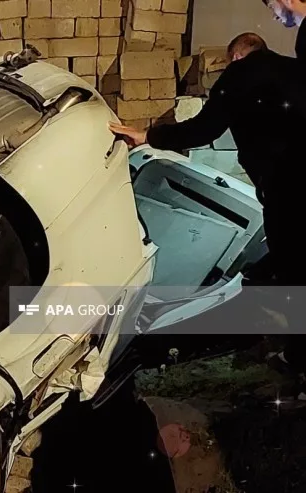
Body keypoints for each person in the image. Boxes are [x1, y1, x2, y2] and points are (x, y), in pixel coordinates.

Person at [109, 33, 306, 400]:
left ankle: (298, 361)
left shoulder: (241, 75)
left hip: (288, 195)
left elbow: (202, 129)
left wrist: (148, 135)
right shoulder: (295, 70)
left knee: (295, 274)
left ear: (236, 57)